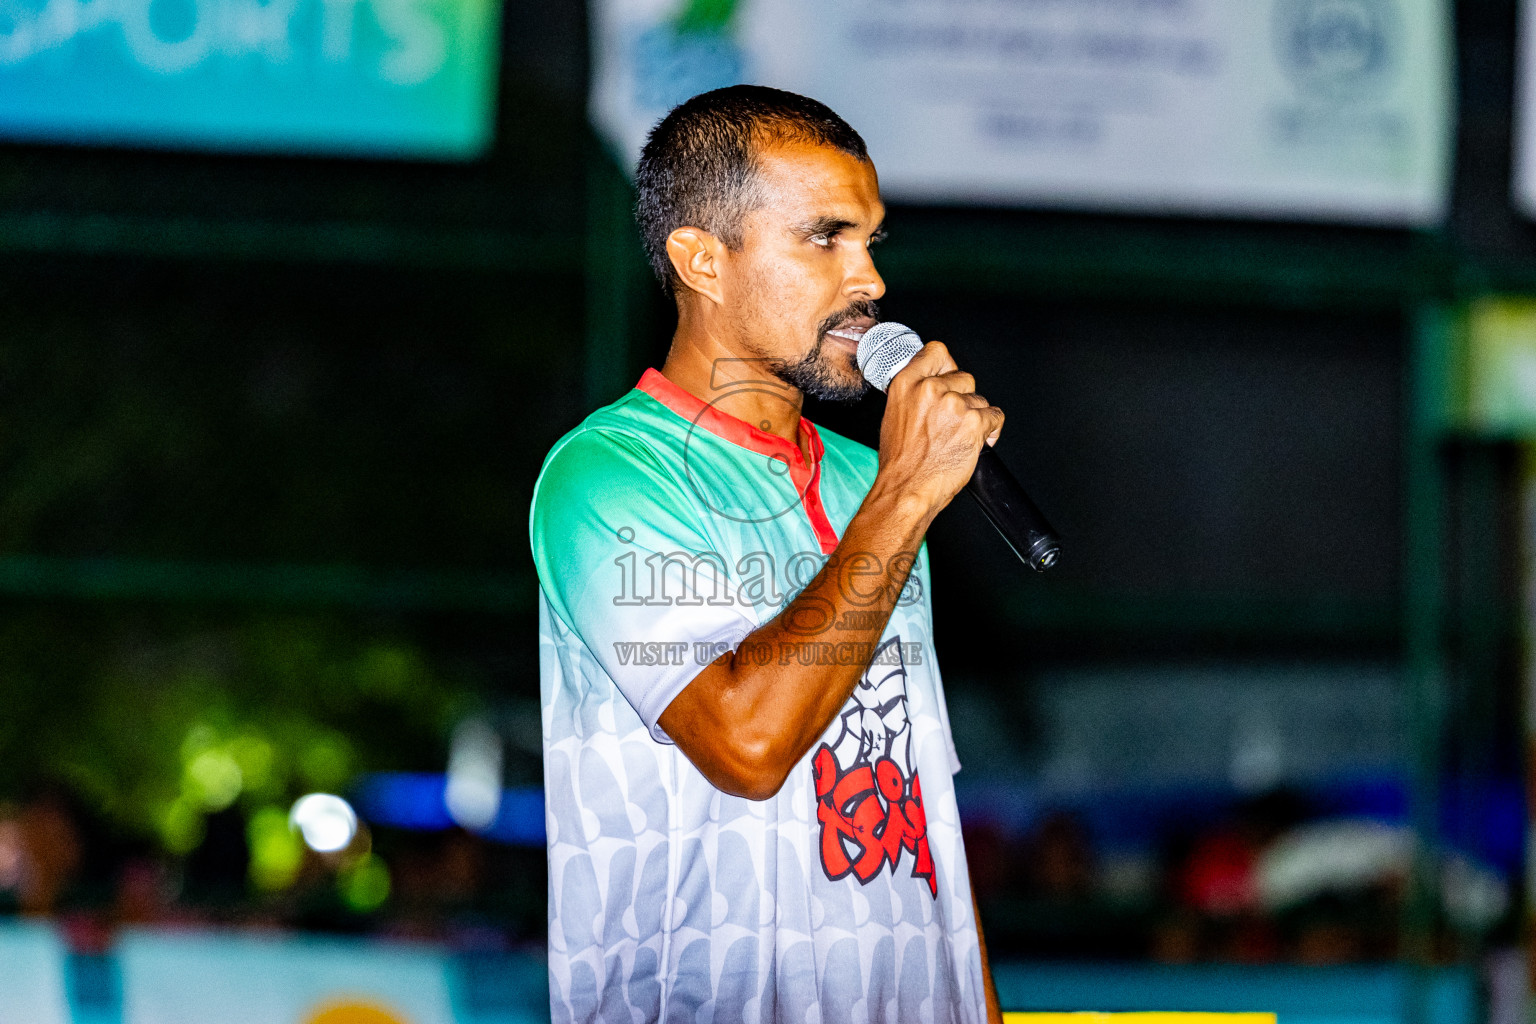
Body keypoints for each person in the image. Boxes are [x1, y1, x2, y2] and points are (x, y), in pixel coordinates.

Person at [530, 85, 1005, 1023]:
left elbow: (925, 828)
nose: (868, 279)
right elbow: (747, 745)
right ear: (702, 258)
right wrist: (908, 495)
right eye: (825, 237)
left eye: (872, 240)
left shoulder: (870, 486)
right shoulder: (607, 476)